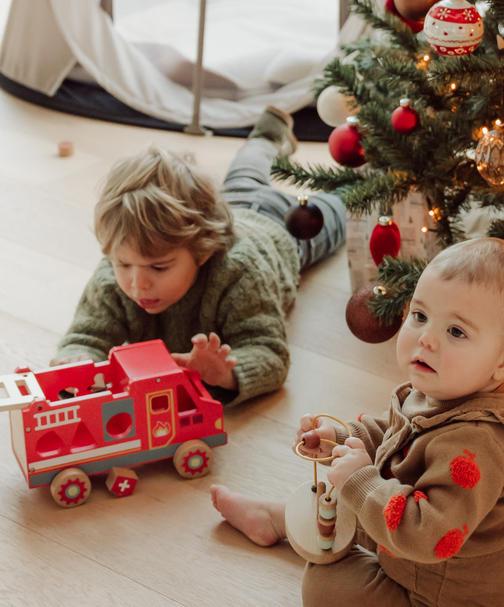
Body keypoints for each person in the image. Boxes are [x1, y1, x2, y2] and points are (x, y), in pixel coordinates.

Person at [210, 237, 504, 607]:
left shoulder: (478, 443)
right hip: (429, 559)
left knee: (321, 589)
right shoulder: (450, 386)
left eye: (456, 331)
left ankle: (309, 527)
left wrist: (359, 478)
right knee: (356, 488)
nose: (426, 339)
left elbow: (427, 533)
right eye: (420, 315)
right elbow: (396, 438)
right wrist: (340, 438)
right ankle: (279, 518)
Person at [51, 107, 346, 405]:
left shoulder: (240, 274)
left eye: (158, 267)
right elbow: (85, 337)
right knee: (244, 176)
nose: (137, 284)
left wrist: (225, 374)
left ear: (203, 252)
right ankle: (268, 137)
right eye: (123, 263)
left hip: (287, 228)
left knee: (350, 203)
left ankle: (278, 141)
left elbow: (269, 353)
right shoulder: (113, 275)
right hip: (232, 204)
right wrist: (78, 359)